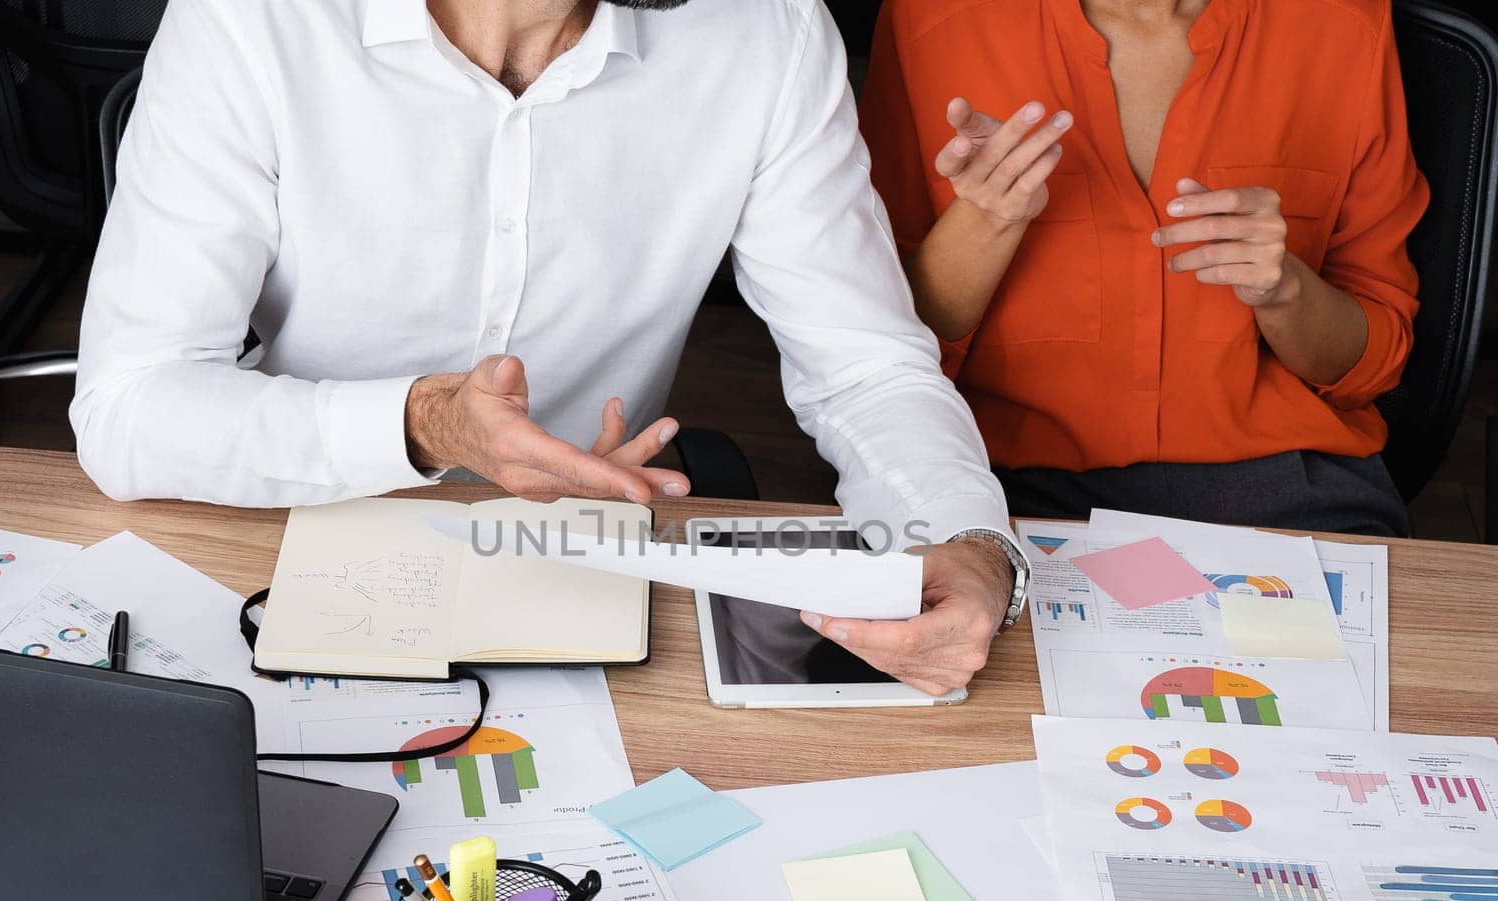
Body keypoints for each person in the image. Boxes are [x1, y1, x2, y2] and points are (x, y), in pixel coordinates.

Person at [73, 0, 1032, 696]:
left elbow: (865, 367)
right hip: (282, 537)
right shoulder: (253, 22)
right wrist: (427, 423)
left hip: (583, 574)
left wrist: (972, 540)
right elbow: (128, 408)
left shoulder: (766, 33)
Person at [860, 0, 1429, 536]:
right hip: (998, 483)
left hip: (1288, 486)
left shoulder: (1342, 23)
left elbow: (1373, 364)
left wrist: (1286, 291)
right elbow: (874, 355)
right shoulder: (931, 19)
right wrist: (986, 219)